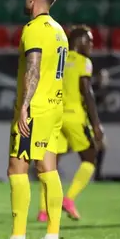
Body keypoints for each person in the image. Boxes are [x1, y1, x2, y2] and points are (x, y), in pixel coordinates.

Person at [0, 0, 67, 239]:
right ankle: (51, 238)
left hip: (35, 108)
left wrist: (24, 106)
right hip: (54, 106)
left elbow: (33, 66)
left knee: (16, 168)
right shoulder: (59, 31)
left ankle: (18, 238)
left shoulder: (33, 29)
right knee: (48, 168)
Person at [37, 25, 103, 222]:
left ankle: (43, 211)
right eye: (89, 40)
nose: (91, 45)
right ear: (80, 41)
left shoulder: (58, 59)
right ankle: (69, 199)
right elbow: (86, 93)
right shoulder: (84, 62)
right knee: (90, 159)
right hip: (75, 116)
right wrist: (96, 123)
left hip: (56, 115)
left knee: (51, 164)